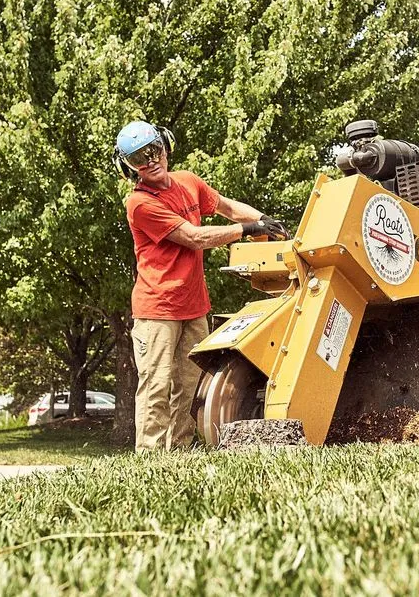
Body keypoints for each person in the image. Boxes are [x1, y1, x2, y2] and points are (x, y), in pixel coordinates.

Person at [113, 121, 288, 452]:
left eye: (154, 151)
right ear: (129, 167)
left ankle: (177, 454)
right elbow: (193, 238)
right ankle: (149, 459)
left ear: (166, 146)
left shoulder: (188, 182)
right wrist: (248, 230)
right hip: (157, 310)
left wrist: (267, 223)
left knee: (190, 387)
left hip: (193, 306)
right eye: (139, 159)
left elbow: (227, 207)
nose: (151, 161)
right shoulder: (138, 204)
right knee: (158, 386)